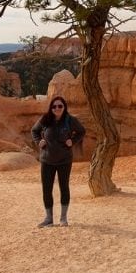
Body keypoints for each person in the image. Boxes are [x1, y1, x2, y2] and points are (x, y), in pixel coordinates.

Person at [30, 96, 86, 228]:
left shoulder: (70, 120)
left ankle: (63, 218)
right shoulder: (45, 119)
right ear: (51, 108)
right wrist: (39, 141)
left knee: (64, 187)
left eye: (60, 106)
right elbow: (34, 131)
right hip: (47, 160)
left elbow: (81, 131)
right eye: (54, 106)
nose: (57, 108)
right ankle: (48, 218)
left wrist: (73, 141)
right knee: (47, 189)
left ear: (64, 107)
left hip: (64, 160)